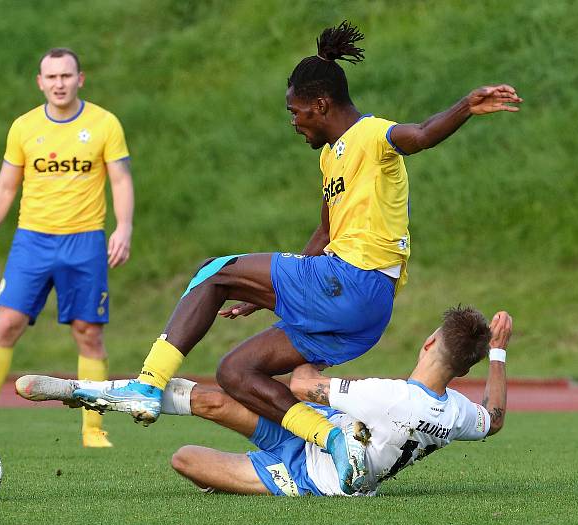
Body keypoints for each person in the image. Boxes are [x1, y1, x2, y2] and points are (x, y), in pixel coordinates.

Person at [72, 20, 522, 491]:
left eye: (295, 111)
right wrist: (260, 292)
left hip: (352, 279)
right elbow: (325, 231)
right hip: (362, 309)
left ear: (320, 105)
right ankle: (331, 437)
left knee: (213, 272)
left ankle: (147, 384)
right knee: (236, 372)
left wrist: (467, 105)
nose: (293, 121)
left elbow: (423, 134)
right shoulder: (332, 157)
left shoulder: (373, 136)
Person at [16, 306, 512, 496]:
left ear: (428, 345)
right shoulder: (456, 414)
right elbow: (493, 419)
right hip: (311, 427)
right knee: (212, 403)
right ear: (463, 366)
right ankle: (91, 394)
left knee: (184, 459)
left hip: (315, 479)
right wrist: (498, 353)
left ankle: (113, 391)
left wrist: (316, 338)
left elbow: (299, 383)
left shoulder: (384, 396)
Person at [0, 47, 134, 448]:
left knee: (89, 333)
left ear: (80, 79)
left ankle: (92, 429)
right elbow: (4, 187)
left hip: (85, 241)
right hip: (32, 241)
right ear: (40, 82)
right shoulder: (24, 128)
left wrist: (123, 228)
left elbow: (120, 180)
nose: (59, 84)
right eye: (51, 77)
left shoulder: (104, 124)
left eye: (66, 76)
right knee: (5, 325)